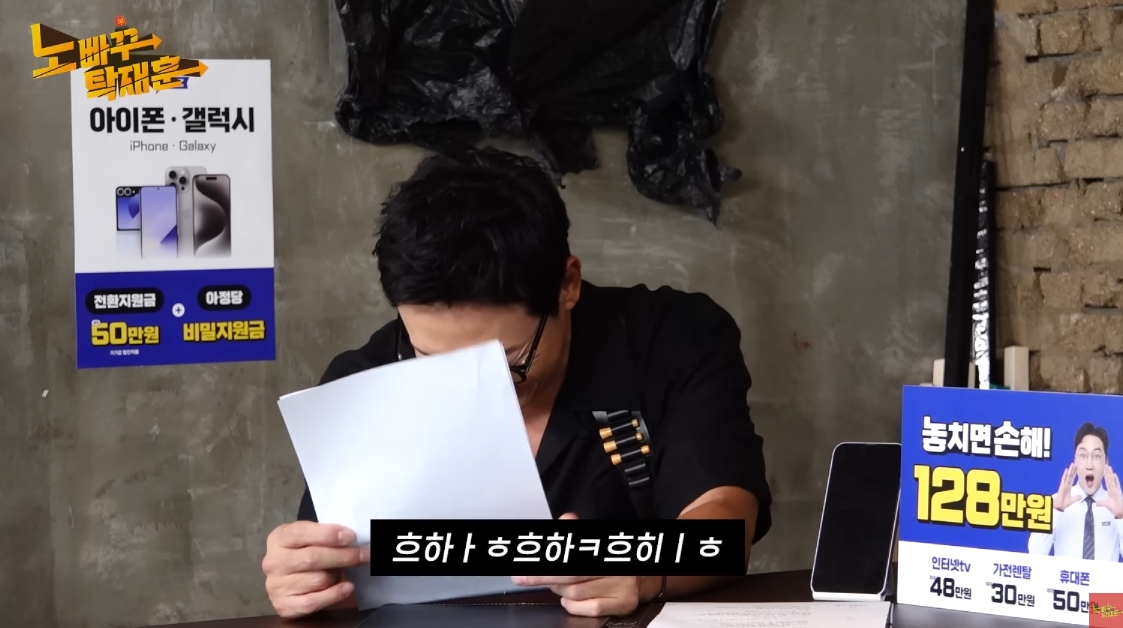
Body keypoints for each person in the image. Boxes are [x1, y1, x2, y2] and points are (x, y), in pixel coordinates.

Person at [261, 147, 772, 618]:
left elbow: (725, 531)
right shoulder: (363, 387)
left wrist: (643, 570)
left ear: (567, 285)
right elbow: (334, 573)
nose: (470, 391)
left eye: (504, 362)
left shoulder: (671, 340)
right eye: (431, 362)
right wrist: (305, 580)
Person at [1028, 422, 1123, 561]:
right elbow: (1035, 552)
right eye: (1083, 456)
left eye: (1096, 456)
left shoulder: (1118, 506)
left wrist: (1121, 516)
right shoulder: (1056, 501)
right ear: (1075, 460)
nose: (1089, 465)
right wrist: (1055, 511)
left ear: (1106, 462)